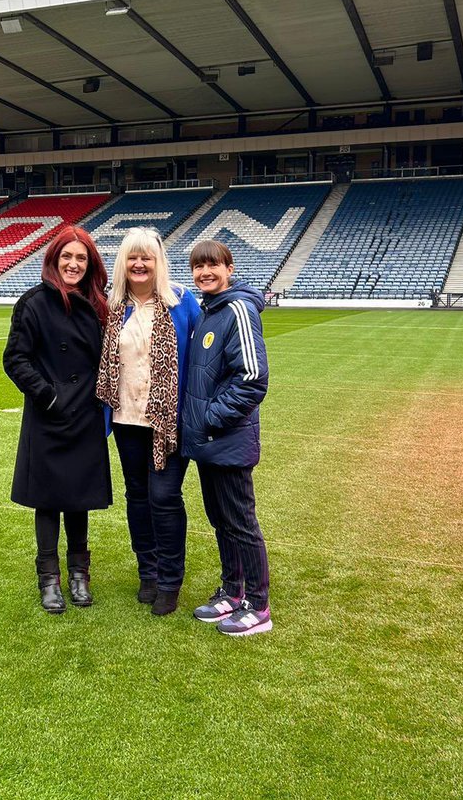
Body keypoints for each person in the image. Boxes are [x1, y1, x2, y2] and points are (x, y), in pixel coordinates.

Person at [3, 226, 112, 614]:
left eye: (81, 258)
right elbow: (15, 359)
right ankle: (48, 578)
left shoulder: (99, 304)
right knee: (47, 501)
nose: (73, 264)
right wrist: (48, 395)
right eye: (67, 256)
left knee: (78, 498)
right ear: (54, 259)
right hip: (49, 417)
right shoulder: (33, 303)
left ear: (90, 264)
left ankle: (80, 574)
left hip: (85, 415)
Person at [95, 227, 201, 616]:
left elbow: (200, 361)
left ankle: (171, 579)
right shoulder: (111, 307)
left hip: (169, 422)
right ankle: (148, 571)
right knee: (137, 496)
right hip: (125, 419)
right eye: (133, 257)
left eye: (147, 257)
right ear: (123, 262)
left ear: (159, 263)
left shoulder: (182, 303)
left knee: (164, 496)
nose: (139, 264)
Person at [182, 239, 272, 637]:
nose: (205, 273)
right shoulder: (208, 311)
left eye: (213, 266)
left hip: (228, 438)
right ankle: (232, 592)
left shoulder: (238, 308)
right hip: (208, 440)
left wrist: (210, 419)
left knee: (240, 521)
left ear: (229, 268)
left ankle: (258, 604)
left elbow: (252, 378)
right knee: (221, 520)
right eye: (199, 267)